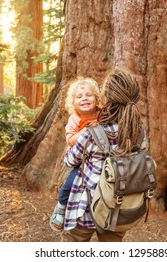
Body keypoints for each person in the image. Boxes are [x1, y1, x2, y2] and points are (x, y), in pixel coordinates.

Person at [62, 68, 145, 242]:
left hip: (86, 209)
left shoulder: (91, 132)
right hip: (117, 208)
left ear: (105, 98)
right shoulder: (136, 130)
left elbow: (70, 160)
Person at [49, 77, 101, 232]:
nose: (84, 98)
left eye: (89, 95)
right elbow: (70, 140)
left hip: (99, 157)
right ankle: (61, 206)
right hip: (80, 160)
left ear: (96, 98)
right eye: (79, 97)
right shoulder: (75, 119)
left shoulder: (102, 115)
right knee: (71, 183)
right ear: (73, 102)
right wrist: (85, 131)